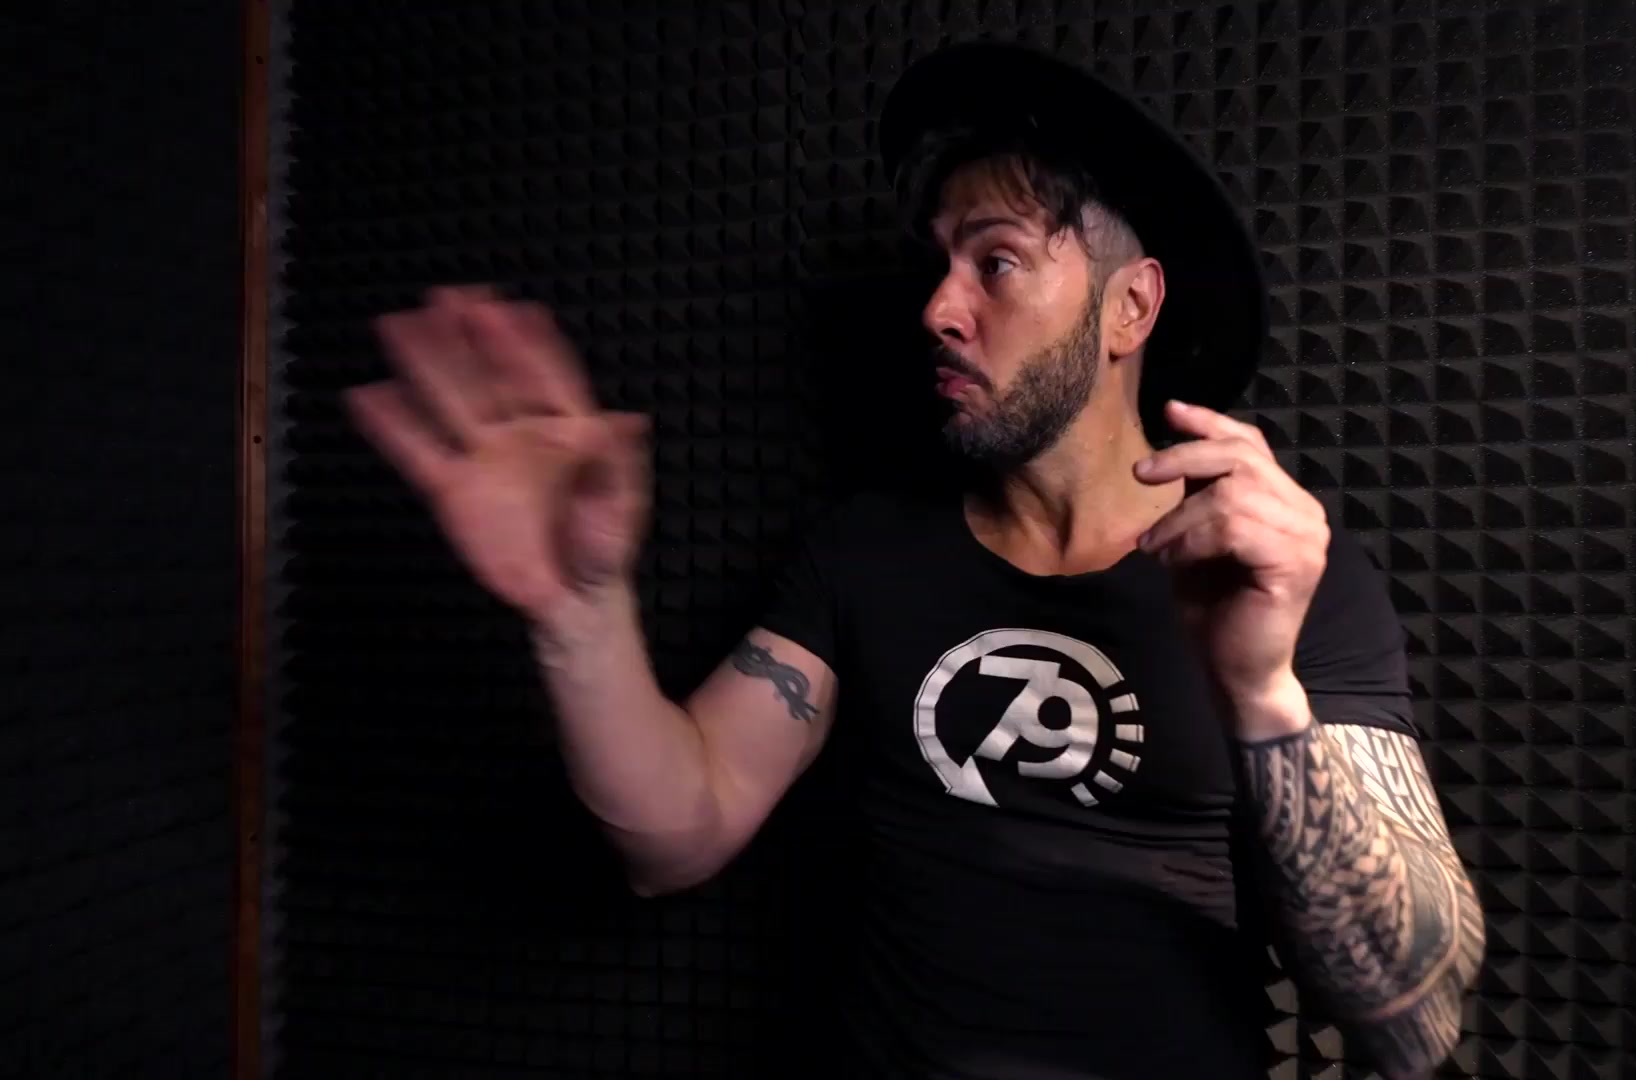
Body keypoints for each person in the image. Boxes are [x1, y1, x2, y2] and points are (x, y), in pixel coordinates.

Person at [345, 41, 1484, 1080]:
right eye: (940, 264)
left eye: (998, 262)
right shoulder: (869, 548)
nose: (939, 307)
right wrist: (579, 610)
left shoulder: (1274, 574)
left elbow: (1412, 1026)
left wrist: (1261, 691)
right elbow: (676, 833)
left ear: (1130, 309)